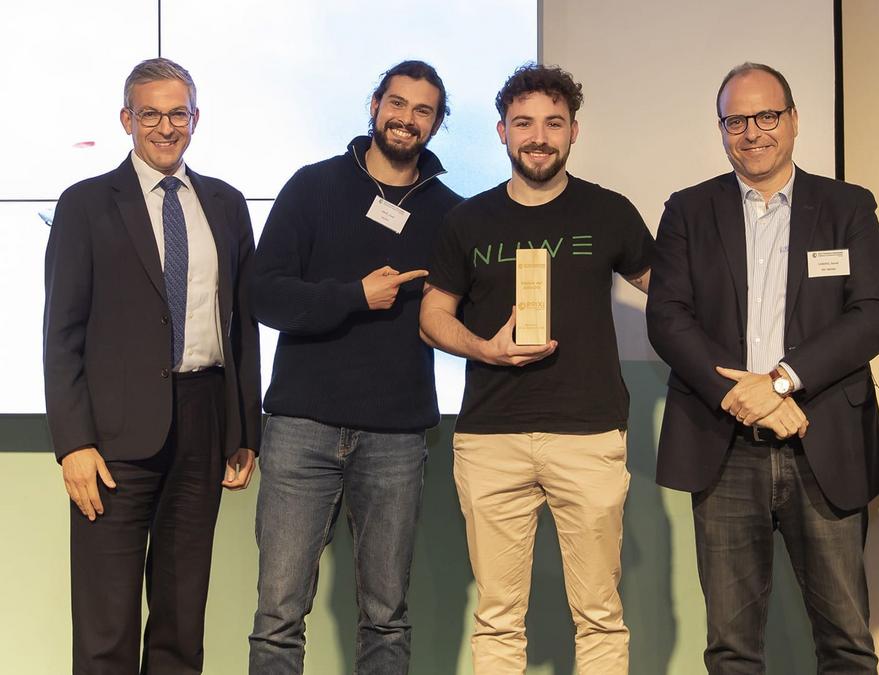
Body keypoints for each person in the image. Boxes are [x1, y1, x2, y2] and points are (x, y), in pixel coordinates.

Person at [646, 62, 879, 674]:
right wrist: (741, 396)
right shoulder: (688, 210)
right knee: (731, 650)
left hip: (823, 440)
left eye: (766, 116)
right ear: (721, 128)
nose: (752, 132)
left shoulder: (847, 206)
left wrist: (780, 382)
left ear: (793, 120)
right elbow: (668, 318)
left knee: (847, 644)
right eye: (736, 120)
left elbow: (871, 316)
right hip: (724, 447)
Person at [419, 64, 653, 675]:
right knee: (498, 617)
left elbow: (672, 296)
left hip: (590, 434)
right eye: (523, 123)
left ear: (574, 130)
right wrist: (485, 349)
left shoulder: (609, 212)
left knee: (599, 614)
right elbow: (432, 317)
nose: (539, 137)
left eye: (554, 122)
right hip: (489, 439)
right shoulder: (467, 220)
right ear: (502, 132)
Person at [43, 57, 260, 674]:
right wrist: (73, 444)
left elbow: (242, 325)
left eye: (177, 114)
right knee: (105, 628)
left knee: (180, 623)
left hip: (202, 423)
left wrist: (244, 429)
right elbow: (61, 334)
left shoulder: (226, 203)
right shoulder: (85, 204)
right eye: (150, 115)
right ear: (126, 120)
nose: (166, 128)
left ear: (196, 118)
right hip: (112, 439)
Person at [247, 60, 462, 674]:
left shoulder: (451, 213)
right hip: (301, 429)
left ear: (437, 124)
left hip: (396, 435)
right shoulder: (313, 186)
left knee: (386, 616)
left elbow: (464, 311)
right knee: (278, 616)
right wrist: (354, 296)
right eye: (397, 103)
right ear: (374, 106)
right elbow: (263, 296)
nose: (407, 118)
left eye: (423, 110)